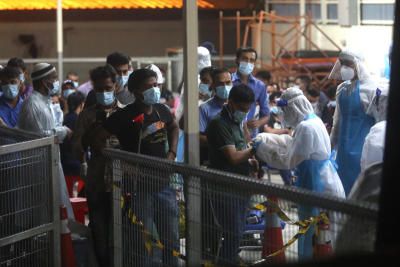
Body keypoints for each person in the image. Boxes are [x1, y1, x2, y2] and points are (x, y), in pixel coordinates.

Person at [253, 87, 345, 260]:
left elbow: (288, 160)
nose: (284, 115)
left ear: (293, 108)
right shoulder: (312, 121)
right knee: (321, 233)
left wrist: (262, 149)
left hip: (317, 181)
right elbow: (293, 142)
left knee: (313, 231)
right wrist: (268, 138)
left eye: (286, 111)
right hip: (323, 178)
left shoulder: (306, 127)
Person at [103, 68, 180, 266]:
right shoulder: (124, 116)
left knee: (171, 239)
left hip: (163, 185)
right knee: (142, 242)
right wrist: (117, 161)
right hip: (138, 189)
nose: (155, 90)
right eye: (149, 87)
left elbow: (174, 126)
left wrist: (172, 152)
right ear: (136, 92)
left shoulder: (161, 110)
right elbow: (95, 139)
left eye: (156, 85)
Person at [206, 84, 261, 265]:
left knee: (237, 231)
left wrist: (251, 161)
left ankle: (228, 260)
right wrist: (255, 149)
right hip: (225, 186)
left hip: (241, 184)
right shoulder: (219, 124)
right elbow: (234, 157)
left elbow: (242, 148)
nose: (244, 112)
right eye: (241, 108)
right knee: (232, 231)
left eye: (247, 109)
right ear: (230, 102)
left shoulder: (238, 122)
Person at [72, 65, 120, 267]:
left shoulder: (126, 113)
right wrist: (87, 145)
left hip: (121, 181)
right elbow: (77, 146)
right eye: (99, 89)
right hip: (96, 181)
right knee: (99, 230)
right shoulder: (87, 115)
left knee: (120, 231)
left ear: (115, 86)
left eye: (107, 88)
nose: (103, 93)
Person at [17, 63, 74, 219]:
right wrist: (63, 131)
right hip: (38, 167)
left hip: (50, 163)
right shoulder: (32, 105)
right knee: (43, 210)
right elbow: (39, 137)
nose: (56, 82)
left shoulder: (44, 102)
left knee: (55, 207)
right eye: (54, 78)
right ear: (44, 82)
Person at [328, 49, 387, 195]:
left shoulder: (373, 89)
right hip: (342, 152)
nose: (344, 68)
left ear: (358, 64)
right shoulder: (342, 88)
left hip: (363, 150)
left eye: (348, 64)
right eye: (342, 64)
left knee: (359, 191)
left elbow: (379, 124)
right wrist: (331, 145)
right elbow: (337, 120)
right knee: (342, 190)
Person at [232, 47, 269, 138]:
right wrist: (243, 124)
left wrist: (258, 123)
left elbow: (266, 114)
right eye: (244, 59)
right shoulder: (228, 81)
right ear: (237, 60)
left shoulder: (259, 85)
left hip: (251, 134)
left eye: (251, 60)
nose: (248, 62)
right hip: (230, 131)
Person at [199, 68, 233, 164]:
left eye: (228, 83)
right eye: (221, 84)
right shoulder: (204, 108)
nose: (225, 86)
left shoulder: (237, 106)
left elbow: (244, 130)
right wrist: (223, 142)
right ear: (213, 85)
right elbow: (199, 137)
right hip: (214, 160)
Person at [60, 91, 85, 197]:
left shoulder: (65, 118)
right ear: (81, 104)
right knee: (75, 196)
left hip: (65, 163)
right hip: (74, 165)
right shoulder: (78, 120)